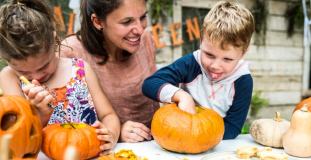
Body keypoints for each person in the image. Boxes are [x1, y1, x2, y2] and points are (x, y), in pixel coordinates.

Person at [0, 0, 120, 156]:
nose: (36, 76)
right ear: (7, 60)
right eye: (22, 71)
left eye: (44, 66)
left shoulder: (81, 70)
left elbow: (108, 115)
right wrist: (39, 114)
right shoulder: (9, 77)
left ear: (54, 41)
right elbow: (17, 137)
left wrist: (110, 133)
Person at [142, 1, 255, 139]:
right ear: (201, 41)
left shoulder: (243, 80)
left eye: (227, 59)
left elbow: (233, 128)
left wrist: (197, 132)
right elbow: (150, 84)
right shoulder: (191, 63)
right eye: (209, 54)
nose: (215, 66)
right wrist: (182, 96)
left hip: (213, 144)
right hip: (178, 135)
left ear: (243, 54)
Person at [60, 0, 160, 143]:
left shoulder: (145, 39)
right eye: (127, 21)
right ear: (98, 22)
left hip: (155, 148)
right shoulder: (69, 53)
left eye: (143, 17)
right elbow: (60, 126)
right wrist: (115, 133)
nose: (140, 29)